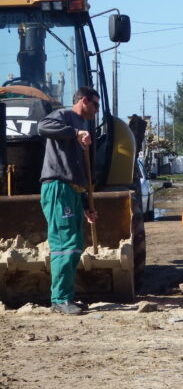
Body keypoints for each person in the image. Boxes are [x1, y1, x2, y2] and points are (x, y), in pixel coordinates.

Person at [38, 86, 100, 315]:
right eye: (95, 104)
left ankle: (65, 297)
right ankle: (60, 300)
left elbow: (80, 168)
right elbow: (42, 126)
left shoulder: (83, 125)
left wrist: (85, 204)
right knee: (65, 244)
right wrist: (75, 133)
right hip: (58, 187)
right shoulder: (64, 116)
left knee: (74, 244)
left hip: (72, 190)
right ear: (84, 100)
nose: (97, 110)